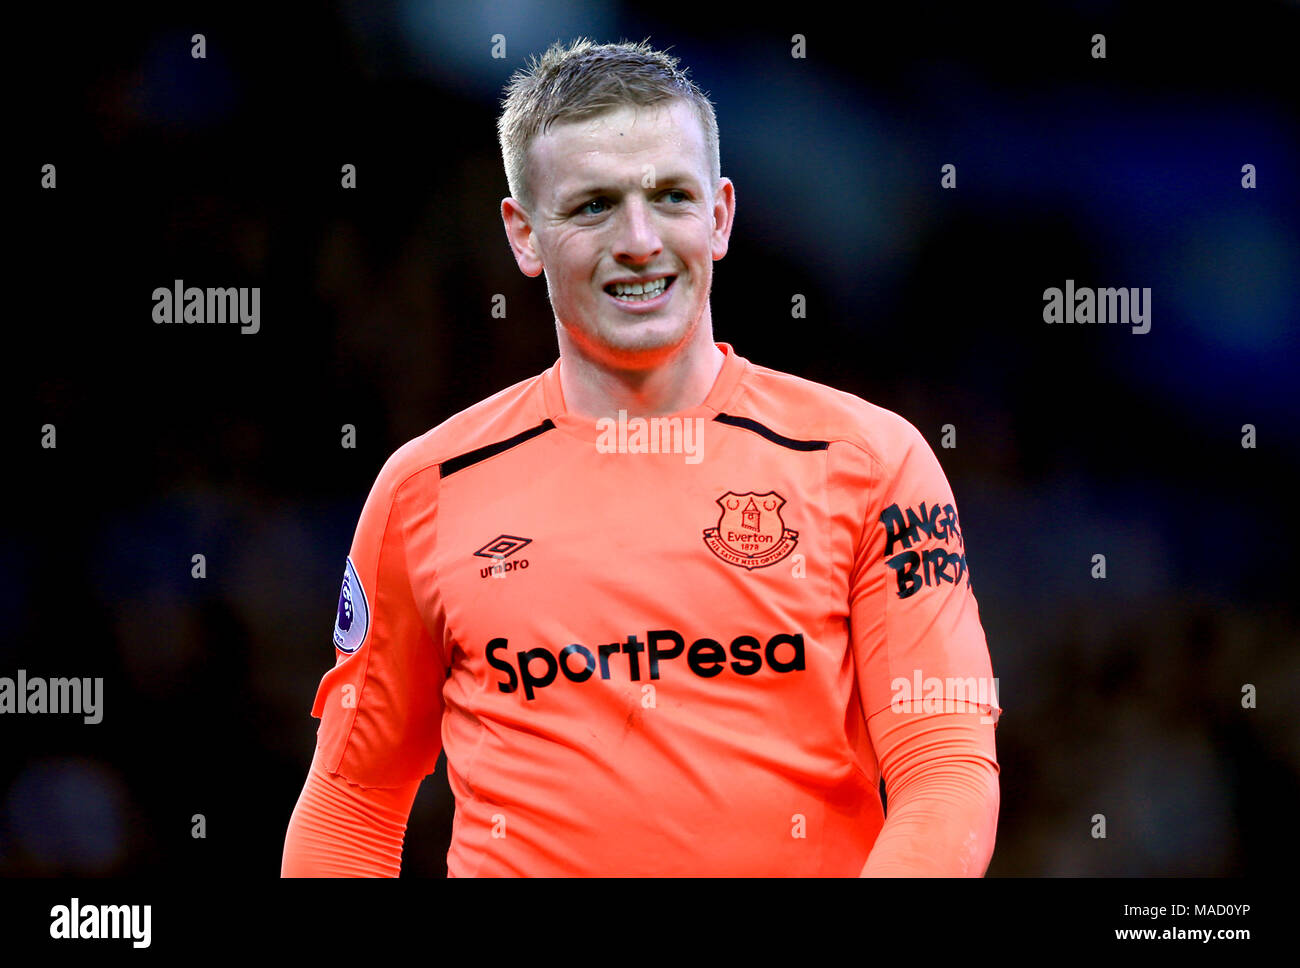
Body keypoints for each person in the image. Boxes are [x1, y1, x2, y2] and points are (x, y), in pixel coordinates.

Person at [281, 37, 1000, 877]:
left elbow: (945, 773)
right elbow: (351, 805)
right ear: (524, 234)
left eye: (670, 197)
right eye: (592, 206)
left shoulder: (870, 462)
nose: (638, 240)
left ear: (721, 215)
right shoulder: (425, 491)